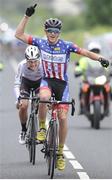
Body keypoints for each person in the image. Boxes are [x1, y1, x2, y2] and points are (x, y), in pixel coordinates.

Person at [15, 4, 109, 170]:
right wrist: (27, 16)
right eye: (50, 31)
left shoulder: (67, 45)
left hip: (62, 84)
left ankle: (59, 153)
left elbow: (85, 53)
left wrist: (100, 58)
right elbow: (19, 34)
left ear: (60, 33)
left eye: (56, 31)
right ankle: (42, 128)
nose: (53, 34)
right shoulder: (40, 42)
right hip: (46, 81)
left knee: (63, 117)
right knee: (43, 98)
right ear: (45, 31)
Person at [14, 45, 43, 145]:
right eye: (30, 62)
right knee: (24, 106)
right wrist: (19, 98)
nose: (33, 64)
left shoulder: (43, 65)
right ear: (26, 60)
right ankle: (23, 130)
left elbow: (48, 82)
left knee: (41, 101)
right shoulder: (21, 65)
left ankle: (38, 127)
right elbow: (17, 83)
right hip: (25, 83)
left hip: (39, 83)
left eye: (35, 61)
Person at [74, 41, 108, 114]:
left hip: (100, 80)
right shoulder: (84, 60)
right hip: (88, 80)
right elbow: (79, 67)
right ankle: (82, 107)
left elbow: (107, 68)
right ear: (90, 51)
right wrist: (77, 71)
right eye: (93, 51)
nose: (95, 52)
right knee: (82, 89)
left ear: (99, 51)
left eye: (96, 51)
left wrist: (109, 72)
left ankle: (107, 107)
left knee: (108, 87)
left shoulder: (102, 59)